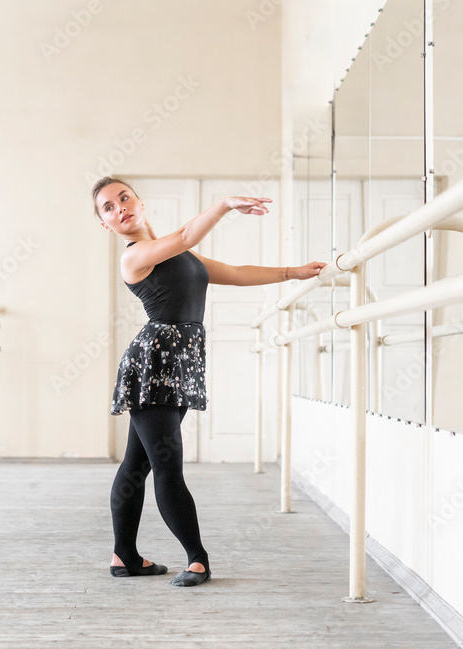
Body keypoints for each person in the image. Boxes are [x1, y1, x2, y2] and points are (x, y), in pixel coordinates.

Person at [92, 177, 326, 586]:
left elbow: (233, 273)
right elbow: (185, 234)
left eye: (124, 198)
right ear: (105, 224)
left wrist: (293, 272)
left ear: (140, 202)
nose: (120, 208)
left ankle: (124, 556)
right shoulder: (136, 257)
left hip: (178, 365)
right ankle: (197, 559)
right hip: (155, 365)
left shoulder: (177, 253)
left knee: (137, 462)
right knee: (167, 465)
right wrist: (224, 204)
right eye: (108, 207)